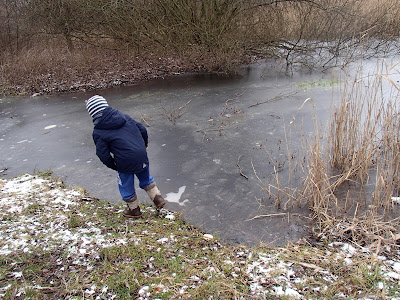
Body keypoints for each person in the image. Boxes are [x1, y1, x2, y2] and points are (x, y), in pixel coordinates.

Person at [85, 95, 166, 218]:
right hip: (141, 156)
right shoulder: (124, 117)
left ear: (92, 114)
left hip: (124, 161)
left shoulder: (99, 131)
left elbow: (102, 154)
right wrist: (144, 145)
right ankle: (157, 199)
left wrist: (114, 165)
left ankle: (134, 210)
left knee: (125, 184)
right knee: (145, 178)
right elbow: (142, 129)